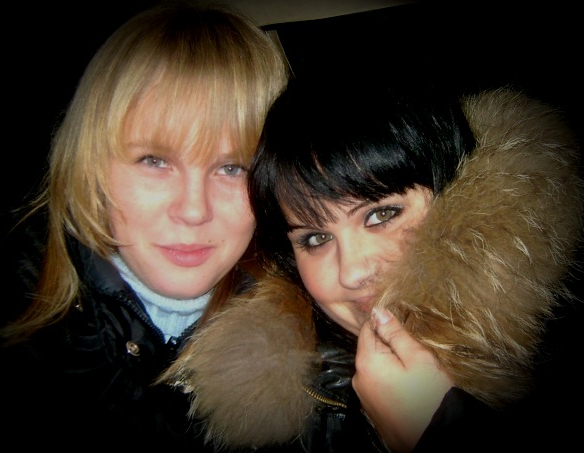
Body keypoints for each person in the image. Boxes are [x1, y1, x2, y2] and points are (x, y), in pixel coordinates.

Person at [160, 77, 584, 451]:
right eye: (315, 239)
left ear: (457, 195)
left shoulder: (563, 338)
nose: (353, 273)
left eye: (382, 214)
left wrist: (437, 429)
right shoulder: (291, 402)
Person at [0, 1, 288, 448]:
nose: (193, 210)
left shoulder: (324, 356)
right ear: (92, 165)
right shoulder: (10, 317)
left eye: (232, 168)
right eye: (154, 160)